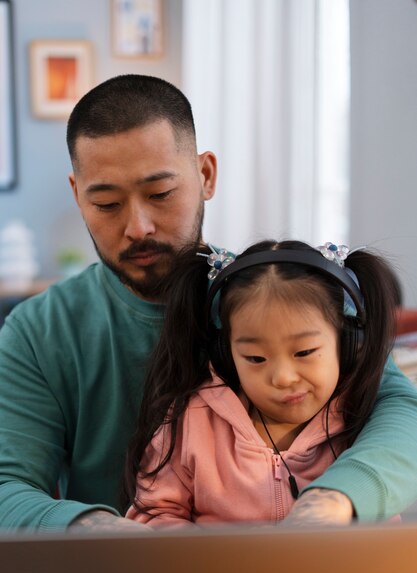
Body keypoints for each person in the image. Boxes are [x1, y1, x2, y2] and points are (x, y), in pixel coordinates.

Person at [0, 75, 416, 533]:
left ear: (206, 176)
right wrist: (97, 529)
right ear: (78, 195)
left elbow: (401, 410)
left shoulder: (273, 296)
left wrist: (335, 498)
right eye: (106, 203)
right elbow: (7, 485)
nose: (138, 226)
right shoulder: (39, 332)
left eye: (160, 194)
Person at [123, 240, 399, 526]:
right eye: (255, 358)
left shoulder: (365, 421)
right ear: (225, 355)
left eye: (304, 352)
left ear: (347, 343)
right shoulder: (190, 422)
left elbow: (382, 529)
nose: (282, 377)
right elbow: (155, 515)